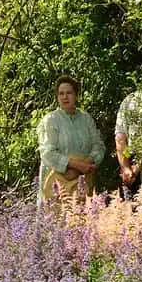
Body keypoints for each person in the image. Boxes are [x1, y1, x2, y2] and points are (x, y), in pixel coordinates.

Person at [36, 75, 104, 207]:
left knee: (82, 222)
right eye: (61, 94)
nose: (65, 97)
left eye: (69, 93)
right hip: (58, 182)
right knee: (57, 223)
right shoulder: (51, 120)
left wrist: (84, 165)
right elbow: (47, 153)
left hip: (83, 180)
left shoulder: (86, 119)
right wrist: (73, 165)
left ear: (76, 95)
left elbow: (99, 146)